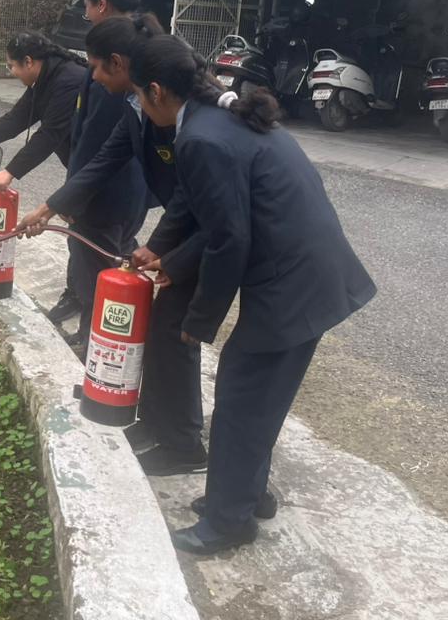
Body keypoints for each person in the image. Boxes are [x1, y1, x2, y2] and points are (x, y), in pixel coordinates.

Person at [128, 35, 376, 555]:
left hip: (294, 282)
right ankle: (247, 494)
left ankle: (228, 523)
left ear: (154, 90)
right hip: (307, 271)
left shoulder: (201, 139)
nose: (138, 107)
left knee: (243, 398)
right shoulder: (218, 117)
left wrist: (199, 321)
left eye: (136, 95)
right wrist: (164, 254)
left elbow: (229, 239)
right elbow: (202, 208)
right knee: (258, 398)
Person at [22, 14, 212, 477]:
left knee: (177, 331)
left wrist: (168, 249)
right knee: (160, 326)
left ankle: (184, 442)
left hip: (206, 231)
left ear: (121, 63)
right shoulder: (136, 105)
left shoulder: (191, 117)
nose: (94, 77)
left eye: (99, 68)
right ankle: (155, 421)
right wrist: (50, 206)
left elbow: (202, 200)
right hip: (186, 223)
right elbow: (105, 158)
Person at [19, 0, 150, 344]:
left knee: (98, 271)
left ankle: (96, 345)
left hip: (104, 194)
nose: (86, 14)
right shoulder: (127, 52)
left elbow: (100, 145)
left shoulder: (116, 70)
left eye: (88, 7)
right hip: (119, 193)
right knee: (110, 257)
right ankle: (91, 330)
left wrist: (73, 197)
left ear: (102, 4)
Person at [0, 31, 87, 188]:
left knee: (74, 209)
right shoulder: (45, 77)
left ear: (28, 62)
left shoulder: (68, 81)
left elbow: (50, 134)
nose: (11, 72)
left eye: (11, 66)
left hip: (102, 164)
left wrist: (10, 172)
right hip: (82, 167)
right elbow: (17, 117)